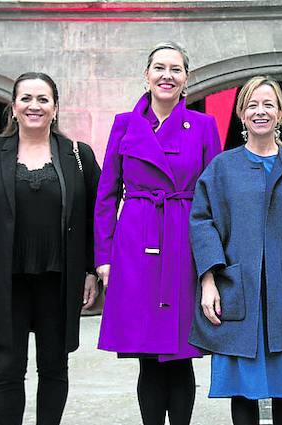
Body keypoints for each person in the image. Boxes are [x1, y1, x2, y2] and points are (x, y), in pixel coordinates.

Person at [0, 72, 101, 425]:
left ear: (55, 108)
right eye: (26, 99)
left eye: (43, 99)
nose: (34, 106)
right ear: (14, 106)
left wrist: (91, 270)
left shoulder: (76, 155)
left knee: (54, 368)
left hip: (58, 280)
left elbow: (97, 216)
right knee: (6, 370)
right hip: (5, 280)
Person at [94, 41, 221, 425]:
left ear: (187, 79)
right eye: (159, 68)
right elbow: (106, 194)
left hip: (184, 241)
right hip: (135, 244)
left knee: (181, 353)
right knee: (147, 353)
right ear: (146, 75)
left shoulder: (203, 125)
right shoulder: (124, 124)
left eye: (176, 69)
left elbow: (213, 197)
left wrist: (212, 263)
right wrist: (104, 257)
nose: (167, 76)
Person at [189, 76, 282, 425]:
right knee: (242, 388)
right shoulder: (222, 167)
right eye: (252, 105)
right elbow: (202, 222)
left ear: (281, 114)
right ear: (241, 115)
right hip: (239, 287)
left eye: (268, 105)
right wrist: (208, 280)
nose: (260, 112)